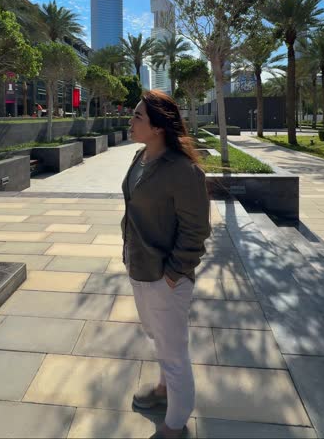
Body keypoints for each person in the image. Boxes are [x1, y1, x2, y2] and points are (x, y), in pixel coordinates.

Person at [122, 90, 210, 439]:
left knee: (174, 353)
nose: (131, 121)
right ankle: (163, 391)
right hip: (139, 267)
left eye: (138, 117)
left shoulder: (183, 171)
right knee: (155, 336)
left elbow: (197, 230)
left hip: (165, 277)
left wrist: (173, 275)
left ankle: (175, 425)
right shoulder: (139, 158)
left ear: (158, 127)